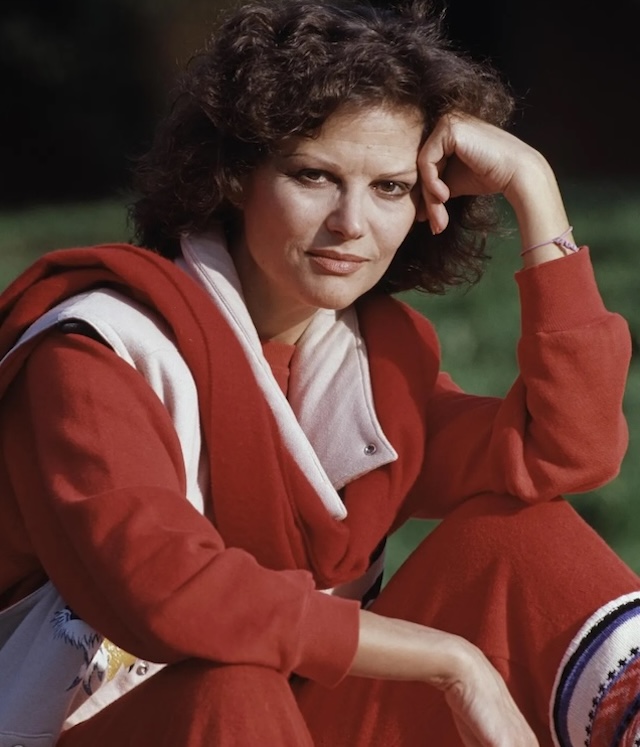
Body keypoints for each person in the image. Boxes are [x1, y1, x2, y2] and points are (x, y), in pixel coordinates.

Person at [0, 0, 637, 745]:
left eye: (391, 187)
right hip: (80, 725)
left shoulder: (371, 365)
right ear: (236, 175)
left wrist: (534, 186)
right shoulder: (95, 352)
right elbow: (170, 593)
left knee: (517, 535)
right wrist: (453, 661)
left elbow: (564, 452)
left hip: (289, 720)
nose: (352, 224)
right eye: (314, 175)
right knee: (230, 684)